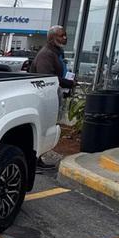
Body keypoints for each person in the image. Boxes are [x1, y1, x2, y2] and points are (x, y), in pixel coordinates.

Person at [30, 25, 75, 169]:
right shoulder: (47, 54)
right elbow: (47, 77)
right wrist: (69, 82)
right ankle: (35, 159)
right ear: (51, 37)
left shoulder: (56, 53)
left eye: (65, 35)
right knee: (43, 127)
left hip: (52, 95)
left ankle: (37, 158)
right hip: (43, 98)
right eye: (61, 35)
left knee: (48, 126)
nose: (65, 38)